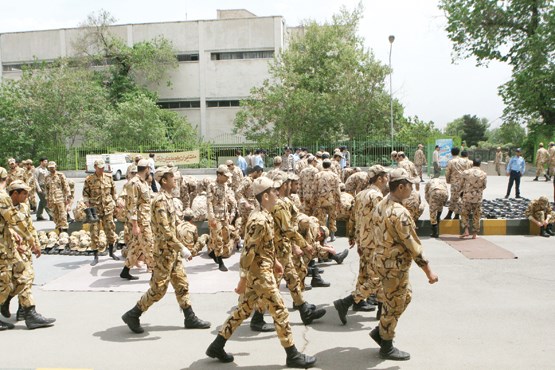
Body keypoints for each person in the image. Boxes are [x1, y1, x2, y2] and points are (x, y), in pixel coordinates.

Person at [205, 176, 317, 368]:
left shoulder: (266, 215)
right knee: (280, 310)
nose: (277, 194)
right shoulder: (258, 219)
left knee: (243, 310)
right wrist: (242, 279)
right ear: (265, 196)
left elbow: (265, 245)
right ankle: (292, 355)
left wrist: (274, 262)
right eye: (274, 191)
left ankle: (217, 345)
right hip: (259, 274)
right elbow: (248, 251)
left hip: (263, 269)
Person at [122, 166, 211, 334]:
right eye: (172, 177)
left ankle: (189, 317)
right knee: (158, 289)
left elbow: (174, 227)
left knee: (181, 283)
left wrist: (184, 244)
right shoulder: (160, 201)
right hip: (164, 252)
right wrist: (182, 248)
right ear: (164, 180)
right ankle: (133, 314)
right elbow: (165, 231)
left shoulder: (169, 199)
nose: (175, 179)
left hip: (173, 251)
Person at [370, 168, 439, 360]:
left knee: (404, 297)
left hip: (381, 261)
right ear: (401, 187)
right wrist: (429, 273)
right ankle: (386, 345)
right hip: (394, 267)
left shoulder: (381, 204)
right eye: (410, 185)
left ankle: (381, 331)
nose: (412, 189)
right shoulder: (400, 213)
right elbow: (414, 247)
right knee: (394, 304)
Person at [335, 165, 389, 325]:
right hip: (375, 241)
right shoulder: (377, 196)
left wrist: (352, 236)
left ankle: (364, 304)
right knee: (378, 276)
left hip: (363, 240)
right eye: (385, 177)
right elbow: (383, 221)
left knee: (365, 272)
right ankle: (348, 302)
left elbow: (352, 217)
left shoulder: (360, 194)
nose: (387, 180)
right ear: (379, 178)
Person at [1, 180, 55, 329]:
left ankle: (25, 311)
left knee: (26, 277)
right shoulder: (5, 205)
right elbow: (10, 226)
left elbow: (30, 227)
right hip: (9, 249)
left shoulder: (24, 207)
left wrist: (35, 243)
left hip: (24, 249)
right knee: (11, 280)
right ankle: (11, 303)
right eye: (24, 193)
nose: (27, 196)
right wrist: (16, 239)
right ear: (15, 193)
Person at [83, 159, 119, 266]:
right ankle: (95, 255)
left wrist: (116, 203)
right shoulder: (89, 179)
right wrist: (87, 204)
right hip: (95, 210)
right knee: (94, 232)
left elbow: (114, 192)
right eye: (99, 167)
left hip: (108, 209)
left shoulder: (109, 177)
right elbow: (85, 194)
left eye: (103, 167)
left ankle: (111, 252)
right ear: (95, 167)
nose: (102, 169)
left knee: (110, 230)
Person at [123, 159, 154, 279]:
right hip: (141, 221)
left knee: (137, 246)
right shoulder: (134, 183)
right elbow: (132, 205)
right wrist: (135, 225)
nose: (150, 171)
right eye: (149, 169)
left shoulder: (143, 182)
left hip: (146, 219)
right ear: (146, 168)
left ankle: (125, 270)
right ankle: (155, 271)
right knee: (149, 245)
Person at [207, 165, 233, 272]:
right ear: (219, 175)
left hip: (224, 216)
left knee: (226, 237)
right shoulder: (212, 186)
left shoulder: (225, 185)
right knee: (218, 239)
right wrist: (212, 218)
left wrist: (228, 215)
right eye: (225, 176)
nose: (227, 178)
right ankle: (220, 262)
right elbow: (209, 202)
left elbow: (225, 201)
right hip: (215, 217)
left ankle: (213, 252)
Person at [313, 159, 341, 241]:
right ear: (330, 165)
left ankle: (323, 238)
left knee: (322, 219)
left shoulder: (317, 175)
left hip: (321, 201)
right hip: (331, 200)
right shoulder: (334, 175)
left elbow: (314, 189)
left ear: (323, 165)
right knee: (332, 218)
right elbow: (337, 190)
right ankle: (332, 236)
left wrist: (313, 200)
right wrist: (339, 201)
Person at [459, 159, 487, 239]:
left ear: (473, 164)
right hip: (478, 198)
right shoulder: (483, 174)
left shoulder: (466, 172)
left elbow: (461, 184)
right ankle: (474, 234)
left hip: (467, 197)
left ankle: (466, 230)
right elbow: (484, 186)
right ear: (480, 164)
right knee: (476, 215)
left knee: (464, 214)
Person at [444, 147, 471, 219]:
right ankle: (458, 214)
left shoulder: (451, 162)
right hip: (464, 182)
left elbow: (447, 173)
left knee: (454, 198)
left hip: (455, 183)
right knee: (462, 198)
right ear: (459, 153)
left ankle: (451, 214)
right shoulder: (465, 161)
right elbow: (468, 171)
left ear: (451, 153)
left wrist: (448, 180)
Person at [44, 161, 71, 233]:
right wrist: (47, 201)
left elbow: (66, 186)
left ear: (56, 167)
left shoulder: (60, 175)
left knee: (63, 215)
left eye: (53, 167)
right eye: (50, 168)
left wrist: (68, 198)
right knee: (55, 216)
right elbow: (46, 189)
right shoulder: (47, 177)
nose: (51, 169)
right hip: (51, 199)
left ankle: (65, 231)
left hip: (60, 198)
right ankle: (59, 230)